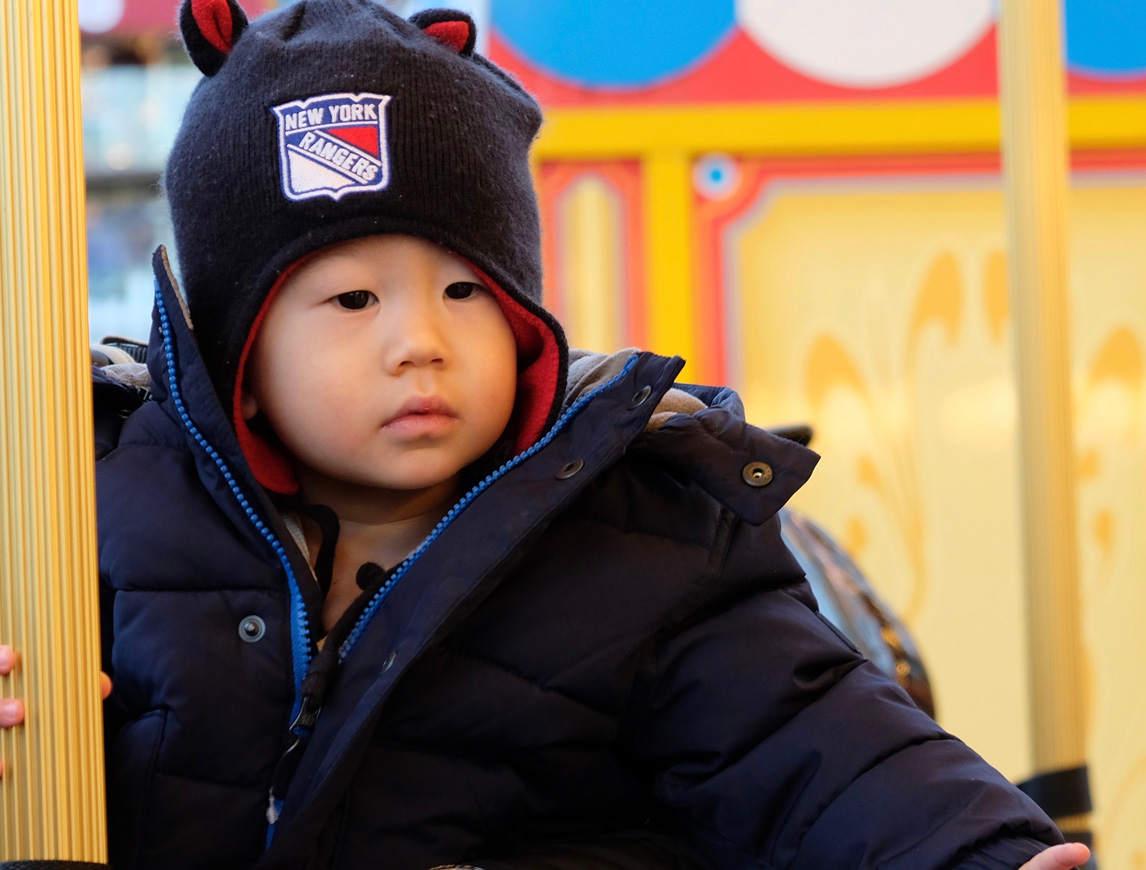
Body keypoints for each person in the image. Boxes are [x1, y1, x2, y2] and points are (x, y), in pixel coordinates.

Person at [0, 1, 1091, 868]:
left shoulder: (636, 533)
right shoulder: (96, 506)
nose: (418, 343)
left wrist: (977, 852)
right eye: (348, 304)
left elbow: (815, 743)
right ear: (236, 345)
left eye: (466, 293)